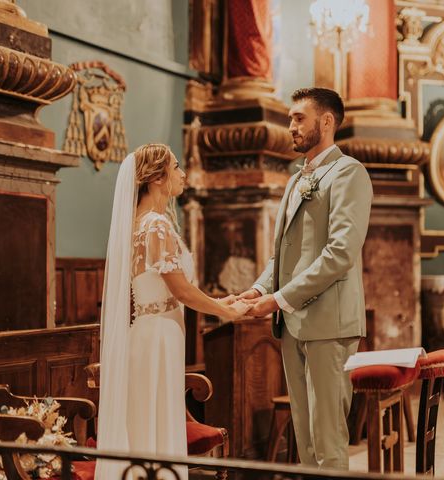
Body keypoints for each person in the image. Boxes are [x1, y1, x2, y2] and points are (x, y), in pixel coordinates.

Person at [95, 143, 250, 479]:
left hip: (150, 332)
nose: (183, 174)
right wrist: (224, 310)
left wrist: (220, 303)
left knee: (145, 421)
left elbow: (175, 288)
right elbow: (180, 289)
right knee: (155, 420)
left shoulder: (140, 223)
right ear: (156, 178)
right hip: (159, 335)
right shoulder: (156, 225)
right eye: (176, 167)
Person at [239, 88, 373, 469]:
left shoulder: (348, 173)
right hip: (293, 325)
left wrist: (280, 299)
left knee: (328, 441)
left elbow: (340, 253)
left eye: (299, 118)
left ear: (326, 122)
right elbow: (282, 255)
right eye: (291, 118)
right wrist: (259, 288)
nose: (291, 126)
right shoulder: (297, 178)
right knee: (307, 440)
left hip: (328, 323)